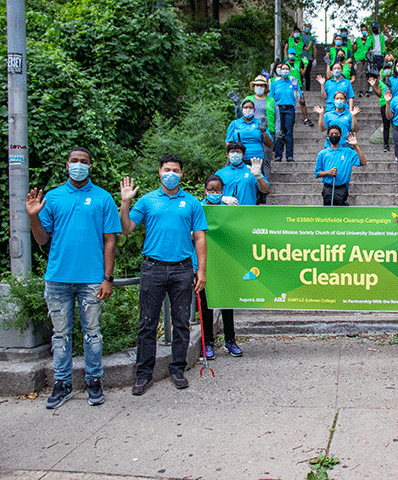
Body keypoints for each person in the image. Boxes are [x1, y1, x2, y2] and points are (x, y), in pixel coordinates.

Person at [25, 147, 121, 409]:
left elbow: (110, 241)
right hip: (58, 279)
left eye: (84, 162)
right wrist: (34, 216)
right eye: (74, 161)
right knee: (60, 335)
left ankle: (93, 382)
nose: (79, 165)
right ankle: (62, 384)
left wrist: (107, 278)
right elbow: (42, 239)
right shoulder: (53, 198)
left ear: (91, 166)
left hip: (92, 279)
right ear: (67, 165)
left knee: (92, 333)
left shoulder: (103, 198)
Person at [119, 155, 208, 395]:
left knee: (181, 323)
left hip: (182, 268)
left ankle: (177, 369)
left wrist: (201, 270)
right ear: (159, 172)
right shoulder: (147, 201)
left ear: (181, 174)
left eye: (175, 170)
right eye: (167, 169)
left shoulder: (191, 203)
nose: (171, 173)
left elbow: (200, 237)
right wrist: (125, 203)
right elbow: (127, 229)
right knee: (147, 323)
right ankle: (143, 375)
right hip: (153, 268)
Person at [196, 174, 243, 359]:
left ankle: (230, 341)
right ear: (205, 190)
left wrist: (234, 213)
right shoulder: (198, 208)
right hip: (203, 263)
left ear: (222, 191)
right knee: (206, 305)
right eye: (211, 190)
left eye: (217, 190)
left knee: (226, 303)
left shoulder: (228, 208)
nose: (214, 193)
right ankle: (208, 342)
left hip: (224, 262)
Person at [314, 127, 367, 206]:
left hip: (342, 188)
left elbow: (363, 162)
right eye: (332, 134)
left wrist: (356, 145)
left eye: (336, 134)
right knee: (327, 213)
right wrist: (328, 172)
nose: (334, 135)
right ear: (328, 137)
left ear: (340, 136)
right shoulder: (323, 153)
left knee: (341, 213)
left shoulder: (348, 151)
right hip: (328, 188)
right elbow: (317, 174)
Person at [245, 75, 279, 184]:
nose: (259, 87)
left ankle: (265, 184)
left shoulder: (271, 101)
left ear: (265, 87)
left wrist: (277, 131)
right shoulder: (248, 99)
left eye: (261, 85)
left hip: (267, 133)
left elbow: (277, 117)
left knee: (266, 160)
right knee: (251, 159)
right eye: (257, 85)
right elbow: (240, 115)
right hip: (251, 132)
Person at [216, 141, 270, 206]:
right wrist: (222, 198)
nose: (235, 154)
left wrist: (258, 177)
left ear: (243, 155)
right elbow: (211, 193)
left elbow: (266, 190)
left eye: (238, 152)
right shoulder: (220, 173)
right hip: (226, 211)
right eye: (232, 152)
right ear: (227, 155)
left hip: (247, 211)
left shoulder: (252, 170)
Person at [225, 99, 273, 169]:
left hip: (257, 159)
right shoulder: (235, 123)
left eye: (250, 107)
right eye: (245, 107)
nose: (248, 109)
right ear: (242, 109)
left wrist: (264, 132)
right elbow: (228, 143)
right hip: (239, 159)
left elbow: (270, 144)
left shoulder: (260, 123)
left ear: (254, 109)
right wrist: (234, 153)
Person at [269, 63, 300, 162]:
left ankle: (289, 155)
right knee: (279, 132)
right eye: (283, 69)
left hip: (290, 108)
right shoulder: (275, 83)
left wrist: (295, 88)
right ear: (280, 70)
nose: (285, 71)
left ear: (289, 71)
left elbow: (298, 98)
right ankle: (278, 155)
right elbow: (271, 98)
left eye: (287, 69)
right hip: (278, 108)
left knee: (289, 132)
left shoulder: (293, 82)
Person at [368, 60, 394, 152]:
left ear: (391, 69)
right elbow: (379, 94)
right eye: (385, 68)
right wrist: (374, 86)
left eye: (388, 68)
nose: (387, 70)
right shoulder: (381, 81)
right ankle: (386, 144)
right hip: (384, 105)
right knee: (386, 125)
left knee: (395, 125)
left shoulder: (395, 80)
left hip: (394, 105)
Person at [286, 48, 313, 127]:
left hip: (298, 85)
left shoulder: (298, 62)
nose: (292, 55)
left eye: (293, 54)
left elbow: (303, 73)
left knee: (302, 101)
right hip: (288, 85)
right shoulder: (285, 63)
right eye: (290, 54)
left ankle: (306, 118)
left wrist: (305, 65)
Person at [353, 24, 372, 96]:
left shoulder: (369, 40)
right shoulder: (358, 40)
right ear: (361, 31)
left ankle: (366, 90)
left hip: (367, 59)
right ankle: (359, 90)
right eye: (362, 30)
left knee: (366, 74)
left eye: (365, 30)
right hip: (359, 58)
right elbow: (354, 49)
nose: (364, 31)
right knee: (359, 74)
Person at [300, 23, 317, 91]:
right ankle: (300, 87)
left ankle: (307, 89)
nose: (308, 29)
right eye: (307, 27)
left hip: (308, 57)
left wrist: (315, 58)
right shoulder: (300, 36)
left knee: (307, 74)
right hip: (300, 56)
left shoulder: (311, 38)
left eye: (309, 27)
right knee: (300, 73)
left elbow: (314, 48)